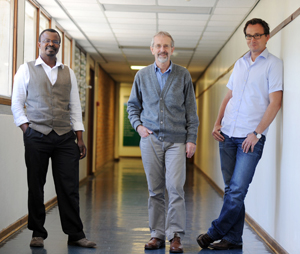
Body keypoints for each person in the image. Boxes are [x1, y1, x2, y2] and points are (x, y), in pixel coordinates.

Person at [196, 18, 283, 250]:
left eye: (257, 35)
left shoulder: (273, 64)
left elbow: (275, 103)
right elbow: (228, 97)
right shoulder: (240, 63)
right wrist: (217, 123)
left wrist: (256, 133)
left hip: (249, 138)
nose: (252, 40)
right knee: (232, 190)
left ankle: (214, 231)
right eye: (248, 36)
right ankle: (234, 239)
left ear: (267, 36)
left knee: (237, 190)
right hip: (227, 135)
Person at [11, 29, 96, 248]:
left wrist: (79, 137)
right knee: (36, 186)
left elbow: (75, 106)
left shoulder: (68, 72)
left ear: (59, 45)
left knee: (69, 187)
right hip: (36, 136)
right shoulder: (26, 69)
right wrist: (26, 129)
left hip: (64, 137)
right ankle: (37, 233)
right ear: (39, 44)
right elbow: (17, 102)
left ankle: (76, 234)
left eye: (55, 41)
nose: (51, 44)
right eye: (47, 41)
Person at [127, 31, 199, 253]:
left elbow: (191, 111)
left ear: (172, 49)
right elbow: (132, 106)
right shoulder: (142, 76)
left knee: (175, 188)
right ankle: (156, 234)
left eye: (166, 46)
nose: (162, 50)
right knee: (154, 190)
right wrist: (139, 127)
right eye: (158, 46)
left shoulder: (183, 75)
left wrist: (191, 139)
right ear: (152, 49)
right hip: (151, 141)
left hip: (177, 141)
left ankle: (175, 235)